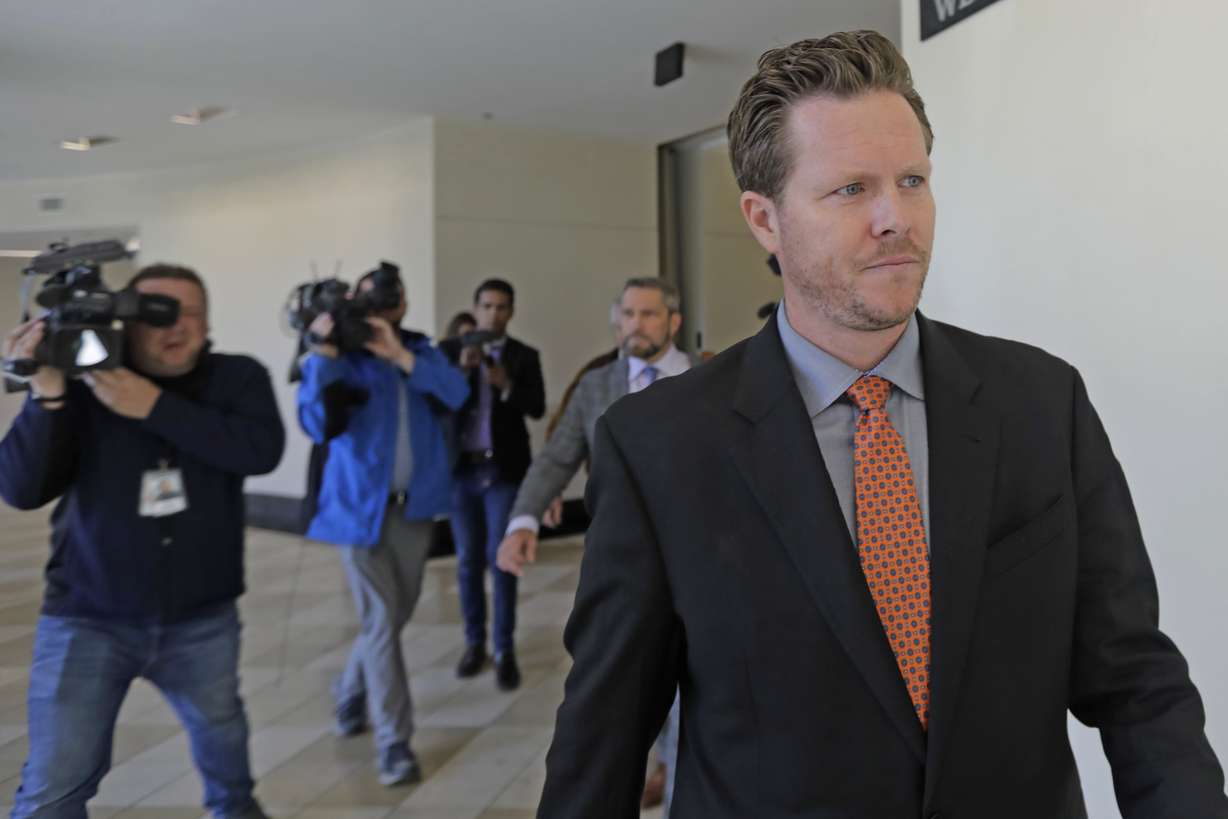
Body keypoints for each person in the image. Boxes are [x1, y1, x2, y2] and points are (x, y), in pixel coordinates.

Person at [536, 31, 1228, 818]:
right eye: (851, 190)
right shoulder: (659, 445)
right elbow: (604, 738)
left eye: (911, 180)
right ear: (765, 219)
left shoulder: (1041, 402)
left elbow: (1135, 680)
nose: (895, 218)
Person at [0, 263, 284, 819]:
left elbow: (259, 451)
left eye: (192, 314)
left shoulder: (237, 378)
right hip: (88, 618)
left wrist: (152, 406)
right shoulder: (85, 385)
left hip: (201, 618)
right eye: (156, 314)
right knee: (53, 790)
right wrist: (48, 398)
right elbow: (21, 489)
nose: (175, 327)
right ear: (126, 323)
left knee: (226, 755)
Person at [497, 277, 688, 814]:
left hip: (695, 558)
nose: (636, 325)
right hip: (620, 566)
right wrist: (523, 520)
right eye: (627, 314)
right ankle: (644, 772)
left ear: (672, 322)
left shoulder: (709, 379)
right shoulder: (595, 388)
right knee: (615, 687)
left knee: (690, 692)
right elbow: (558, 457)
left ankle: (677, 785)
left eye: (649, 315)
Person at [297, 266, 468, 787]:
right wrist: (323, 357)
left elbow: (456, 392)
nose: (385, 311)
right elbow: (313, 423)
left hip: (413, 507)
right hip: (358, 509)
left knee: (394, 613)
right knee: (379, 619)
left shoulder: (419, 350)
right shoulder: (340, 358)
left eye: (394, 301)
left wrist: (400, 355)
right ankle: (395, 742)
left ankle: (350, 689)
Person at [439, 279, 545, 691]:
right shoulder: (449, 354)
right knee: (467, 562)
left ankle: (504, 649)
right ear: (475, 307)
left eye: (502, 307)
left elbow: (535, 407)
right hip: (461, 471)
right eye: (486, 306)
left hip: (502, 472)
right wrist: (462, 373)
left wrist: (506, 385)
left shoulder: (523, 356)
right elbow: (437, 406)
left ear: (511, 312)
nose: (493, 314)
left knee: (502, 562)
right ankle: (473, 644)